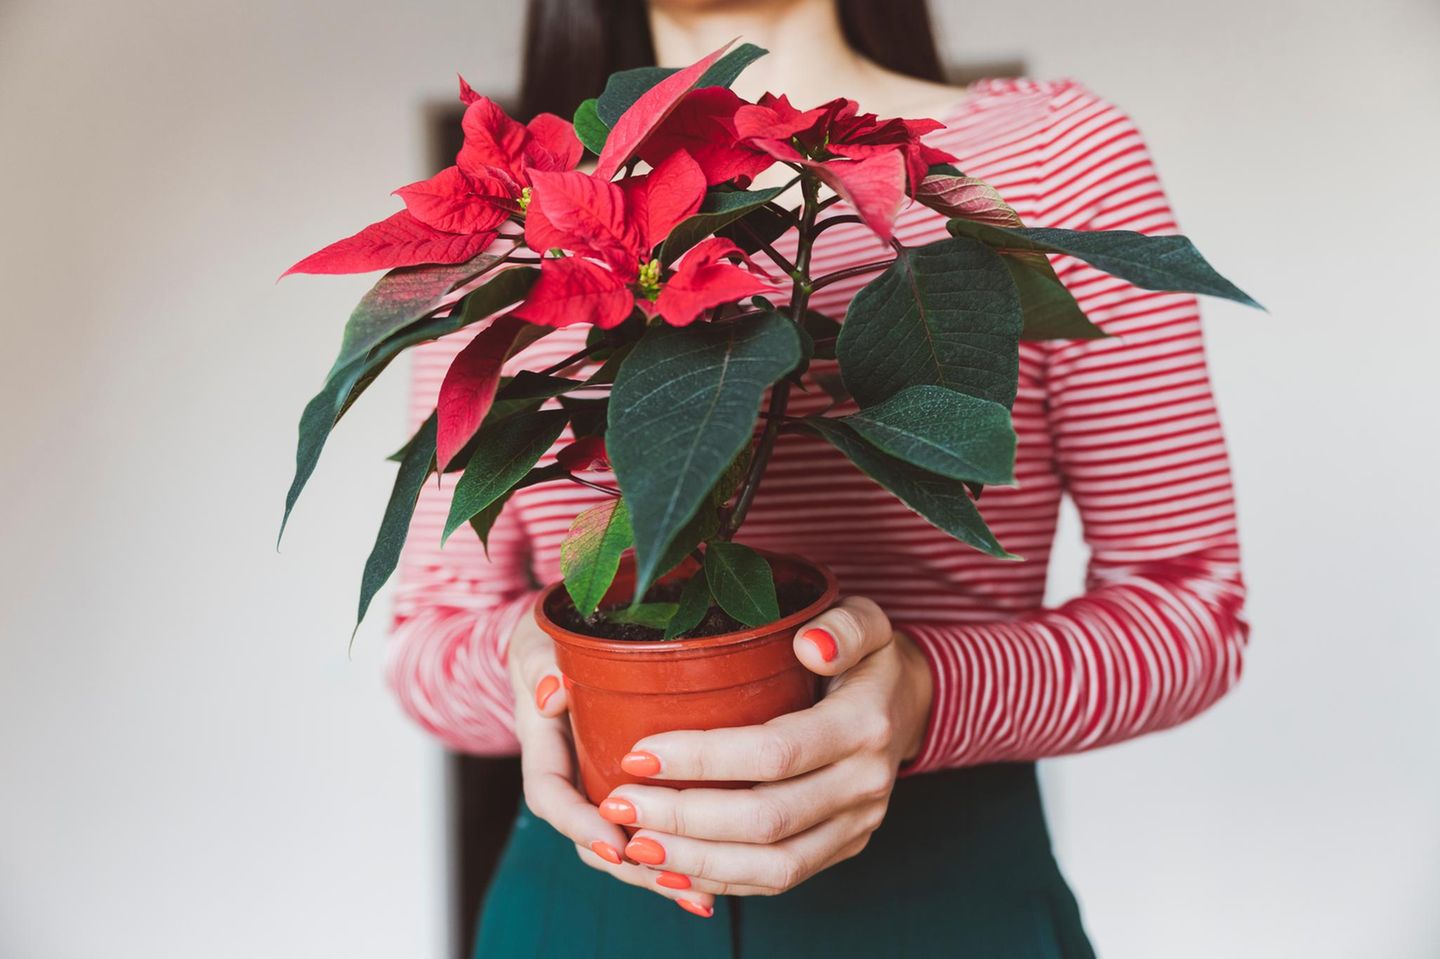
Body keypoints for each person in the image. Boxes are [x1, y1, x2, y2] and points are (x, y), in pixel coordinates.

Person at [388, 0, 1249, 954]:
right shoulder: (522, 210)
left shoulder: (1053, 156)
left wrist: (925, 693)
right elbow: (424, 639)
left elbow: (1192, 608)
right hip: (591, 903)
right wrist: (540, 665)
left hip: (943, 897)